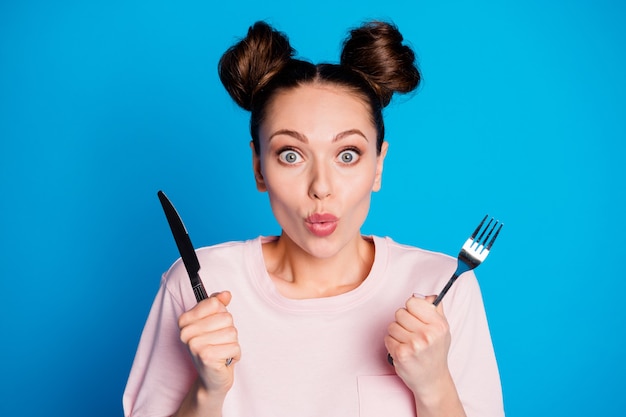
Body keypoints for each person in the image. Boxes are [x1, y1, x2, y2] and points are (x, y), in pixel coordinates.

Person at [123, 20, 504, 417]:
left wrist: (434, 385)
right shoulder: (197, 281)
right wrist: (207, 391)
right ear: (258, 168)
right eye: (291, 154)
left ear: (378, 166)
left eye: (347, 155)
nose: (321, 187)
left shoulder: (443, 288)